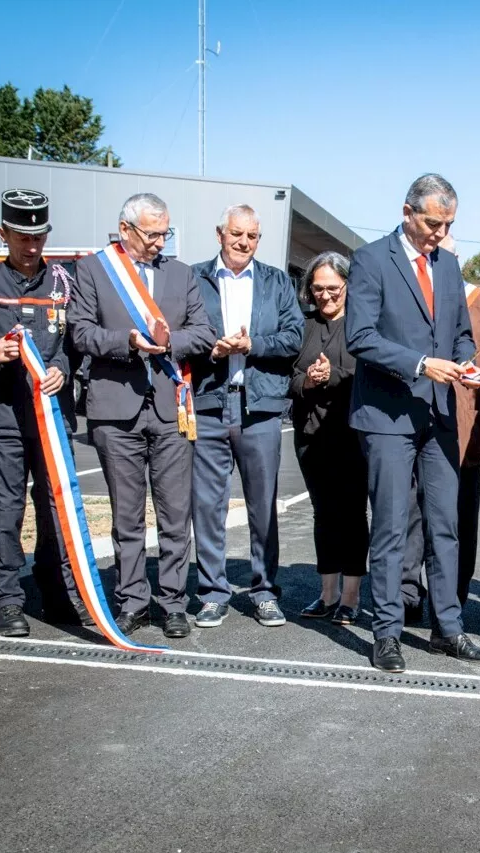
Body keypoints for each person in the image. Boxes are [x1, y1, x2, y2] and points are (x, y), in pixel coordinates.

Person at [345, 174, 480, 672]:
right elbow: (360, 337)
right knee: (389, 528)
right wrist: (419, 363)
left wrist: (465, 361)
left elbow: (461, 334)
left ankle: (448, 628)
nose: (441, 231)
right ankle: (386, 632)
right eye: (434, 222)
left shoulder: (449, 266)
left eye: (449, 223)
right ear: (407, 212)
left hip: (439, 414)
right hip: (388, 414)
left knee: (445, 527)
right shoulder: (369, 260)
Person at [68, 193, 216, 639]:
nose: (159, 241)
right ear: (126, 229)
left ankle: (172, 601)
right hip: (116, 408)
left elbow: (204, 332)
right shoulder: (94, 269)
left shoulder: (180, 273)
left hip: (171, 410)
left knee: (175, 516)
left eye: (164, 233)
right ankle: (132, 600)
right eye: (152, 234)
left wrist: (169, 343)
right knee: (126, 516)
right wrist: (127, 341)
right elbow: (80, 331)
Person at [0, 189, 86, 637]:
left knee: (57, 511)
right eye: (21, 237)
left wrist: (63, 370)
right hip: (3, 422)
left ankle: (59, 596)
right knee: (6, 514)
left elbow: (77, 346)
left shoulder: (65, 283)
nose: (31, 247)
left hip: (52, 422)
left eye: (38, 237)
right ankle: (8, 602)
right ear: (2, 234)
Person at [189, 204, 303, 629]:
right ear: (220, 233)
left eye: (252, 236)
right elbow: (180, 331)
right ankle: (213, 593)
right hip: (209, 403)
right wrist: (211, 349)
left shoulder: (277, 282)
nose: (243, 242)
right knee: (208, 505)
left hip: (261, 408)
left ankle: (264, 591)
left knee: (262, 505)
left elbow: (294, 337)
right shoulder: (194, 278)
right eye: (236, 233)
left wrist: (252, 343)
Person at [401, 233, 480, 617]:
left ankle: (452, 598)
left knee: (459, 518)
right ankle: (407, 595)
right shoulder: (412, 298)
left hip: (464, 432)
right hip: (412, 423)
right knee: (411, 516)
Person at [291, 252, 369, 624]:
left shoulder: (361, 325)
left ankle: (351, 598)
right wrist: (307, 380)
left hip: (351, 435)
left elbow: (365, 373)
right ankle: (326, 595)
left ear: (347, 286)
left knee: (352, 515)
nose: (324, 296)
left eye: (332, 288)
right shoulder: (303, 326)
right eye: (318, 289)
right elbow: (286, 377)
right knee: (324, 514)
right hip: (310, 436)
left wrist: (331, 374)